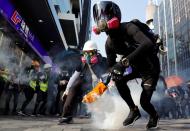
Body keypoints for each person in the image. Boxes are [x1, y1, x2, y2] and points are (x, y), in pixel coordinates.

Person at [92, 1, 160, 129]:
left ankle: (154, 116)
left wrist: (123, 63)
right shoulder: (109, 44)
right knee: (118, 79)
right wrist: (112, 73)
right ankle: (133, 110)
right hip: (135, 68)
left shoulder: (129, 28)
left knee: (144, 102)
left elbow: (147, 44)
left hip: (150, 68)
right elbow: (111, 66)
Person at [58, 40, 108, 124]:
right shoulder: (82, 63)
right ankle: (66, 116)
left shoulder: (103, 61)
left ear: (96, 52)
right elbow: (74, 76)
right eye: (85, 53)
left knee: (102, 96)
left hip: (99, 82)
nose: (87, 56)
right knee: (73, 88)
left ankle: (106, 116)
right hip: (84, 80)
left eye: (90, 53)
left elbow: (106, 77)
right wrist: (67, 90)